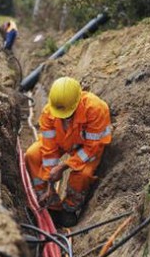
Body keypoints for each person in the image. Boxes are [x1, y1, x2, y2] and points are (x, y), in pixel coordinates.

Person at [25, 77, 112, 227]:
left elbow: (92, 148)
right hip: (62, 141)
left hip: (86, 148)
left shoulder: (96, 109)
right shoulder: (49, 112)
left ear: (78, 101)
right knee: (32, 155)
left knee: (82, 175)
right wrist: (49, 185)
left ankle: (69, 208)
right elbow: (49, 150)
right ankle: (51, 204)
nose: (63, 117)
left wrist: (63, 166)